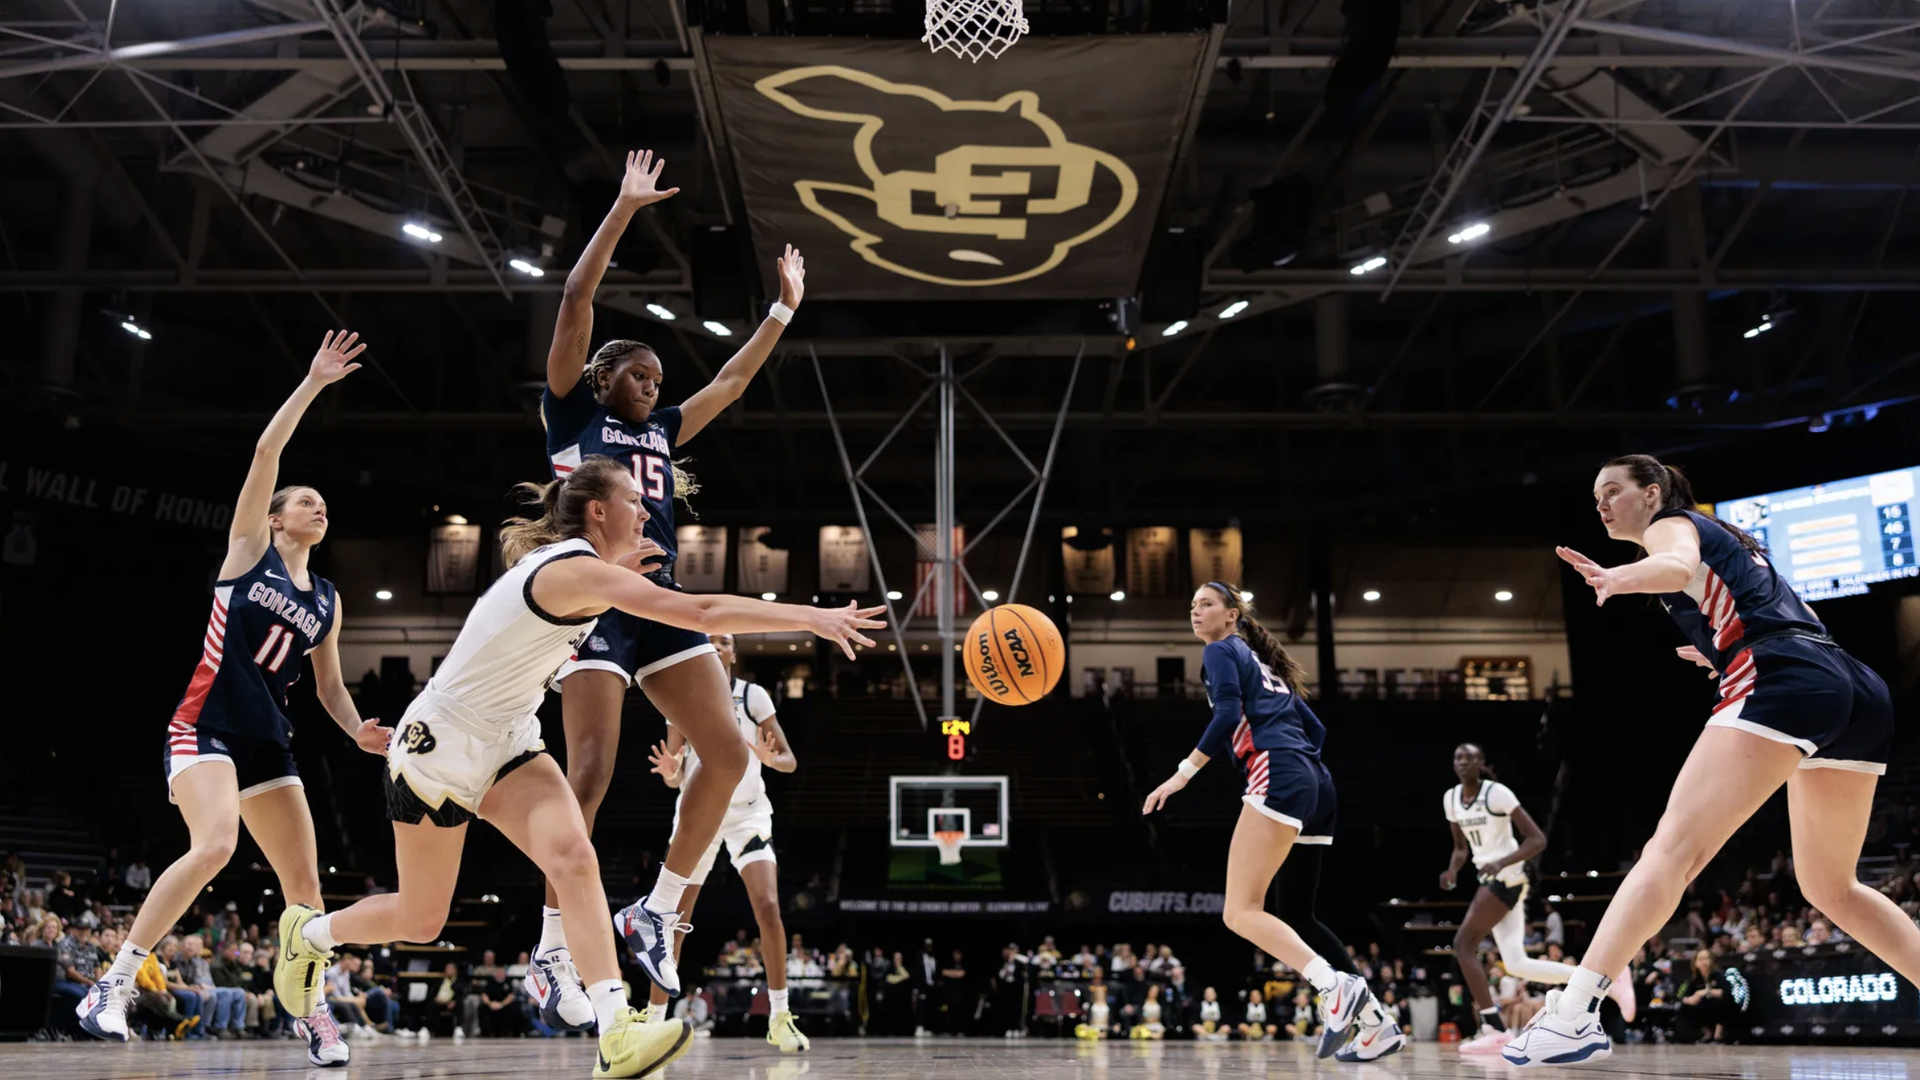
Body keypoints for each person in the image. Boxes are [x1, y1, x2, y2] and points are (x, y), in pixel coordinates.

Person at [272, 456, 880, 1078]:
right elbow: (700, 616)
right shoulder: (569, 570)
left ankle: (615, 1029)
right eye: (633, 501)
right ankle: (311, 937)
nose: (646, 511)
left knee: (574, 856)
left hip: (509, 739)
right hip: (442, 741)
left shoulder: (588, 570)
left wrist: (616, 567)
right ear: (598, 511)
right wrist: (813, 617)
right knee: (422, 919)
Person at [1505, 455, 1913, 1065]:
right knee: (1833, 886)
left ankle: (1573, 1014)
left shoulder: (1673, 526)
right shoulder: (1732, 551)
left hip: (1784, 677)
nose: (1602, 503)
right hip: (1849, 685)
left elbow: (1675, 565)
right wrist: (1718, 654)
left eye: (1613, 491)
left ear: (1653, 493)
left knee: (1670, 851)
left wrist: (1621, 578)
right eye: (1596, 497)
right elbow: (1764, 609)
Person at [528, 148, 809, 1029]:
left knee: (727, 752)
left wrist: (780, 311)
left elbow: (730, 380)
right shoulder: (575, 413)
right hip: (589, 598)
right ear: (604, 375)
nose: (653, 385)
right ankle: (548, 946)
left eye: (657, 377)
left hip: (661, 600)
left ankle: (655, 906)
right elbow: (576, 301)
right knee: (593, 769)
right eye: (638, 374)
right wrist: (622, 209)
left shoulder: (669, 428)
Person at [76, 332, 384, 1070]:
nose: (320, 508)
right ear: (275, 518)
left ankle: (313, 1016)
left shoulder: (330, 600)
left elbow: (331, 689)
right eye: (306, 502)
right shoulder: (248, 553)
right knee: (215, 844)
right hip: (202, 726)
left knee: (306, 892)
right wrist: (312, 384)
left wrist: (357, 733)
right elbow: (265, 457)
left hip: (266, 743)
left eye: (324, 504)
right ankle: (113, 984)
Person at [1143, 583, 1404, 1062]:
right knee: (1298, 914)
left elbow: (1225, 714)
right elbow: (1317, 728)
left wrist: (1182, 775)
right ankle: (1375, 1024)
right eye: (1193, 605)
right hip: (1316, 781)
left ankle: (1333, 986)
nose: (1195, 612)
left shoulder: (1222, 651)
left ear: (1231, 614)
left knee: (1239, 912)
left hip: (1279, 771)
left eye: (1206, 604)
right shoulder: (1262, 661)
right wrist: (1300, 772)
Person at [638, 633, 808, 1051]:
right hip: (699, 812)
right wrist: (670, 772)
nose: (716, 646)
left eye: (725, 641)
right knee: (673, 919)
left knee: (768, 905)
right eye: (709, 640)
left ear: (734, 653)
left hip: (747, 812)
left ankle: (781, 1016)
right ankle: (653, 1020)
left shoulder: (753, 697)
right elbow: (676, 772)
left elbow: (789, 761)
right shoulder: (682, 695)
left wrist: (771, 759)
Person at [1439, 743, 1633, 1054]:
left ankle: (1493, 1027)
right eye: (1457, 757)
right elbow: (1462, 848)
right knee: (1516, 963)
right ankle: (1603, 977)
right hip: (1491, 878)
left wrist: (1501, 862)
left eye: (1469, 757)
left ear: (1480, 763)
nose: (1462, 762)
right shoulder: (1451, 799)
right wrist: (1451, 871)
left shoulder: (1497, 794)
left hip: (1509, 878)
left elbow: (1537, 840)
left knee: (1463, 945)